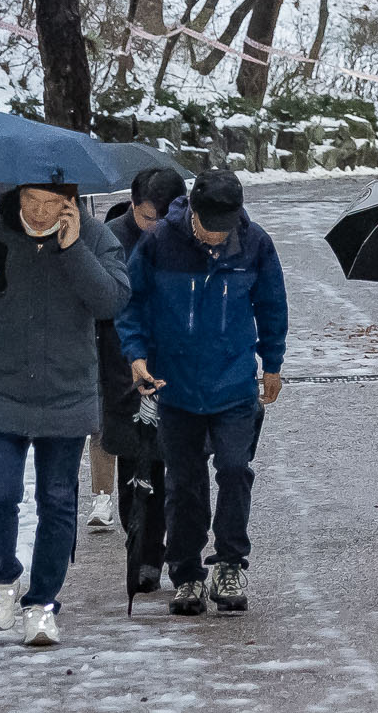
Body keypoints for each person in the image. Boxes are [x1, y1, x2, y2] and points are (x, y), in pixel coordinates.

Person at [0, 181, 131, 648]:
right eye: (32, 203)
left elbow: (111, 302)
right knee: (0, 493)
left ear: (70, 202)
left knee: (58, 501)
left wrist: (72, 251)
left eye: (53, 204)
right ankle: (2, 579)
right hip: (4, 387)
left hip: (68, 391)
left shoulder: (94, 237)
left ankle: (42, 603)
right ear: (16, 200)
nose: (42, 213)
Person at [117, 168, 287, 617]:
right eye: (208, 229)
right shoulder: (159, 242)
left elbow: (271, 305)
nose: (215, 240)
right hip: (174, 387)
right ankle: (187, 573)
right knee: (184, 484)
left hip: (233, 382)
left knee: (235, 470)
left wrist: (273, 363)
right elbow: (130, 303)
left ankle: (230, 563)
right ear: (192, 210)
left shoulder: (255, 243)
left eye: (223, 231)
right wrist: (136, 355)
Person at [98, 166, 186, 599]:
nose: (155, 227)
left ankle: (168, 550)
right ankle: (142, 557)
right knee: (137, 466)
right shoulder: (109, 238)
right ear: (133, 206)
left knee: (174, 466)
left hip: (176, 367)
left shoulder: (188, 235)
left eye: (163, 219)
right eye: (147, 217)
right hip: (123, 368)